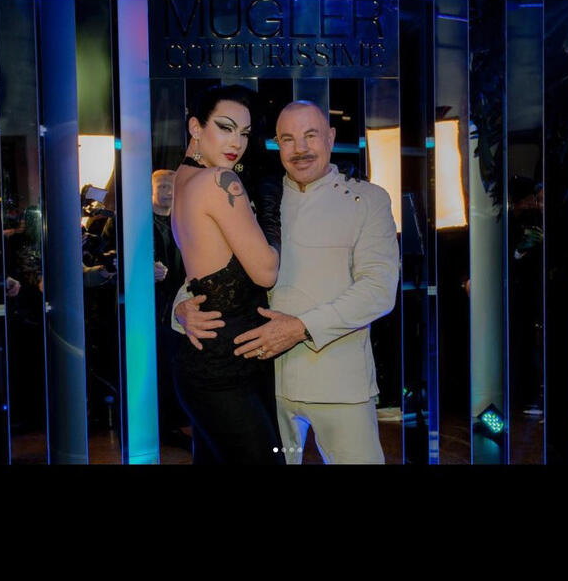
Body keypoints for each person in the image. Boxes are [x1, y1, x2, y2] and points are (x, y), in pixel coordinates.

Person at [175, 100, 400, 464]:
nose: (300, 149)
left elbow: (378, 290)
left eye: (311, 136)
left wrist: (300, 328)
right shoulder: (256, 195)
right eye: (288, 139)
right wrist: (181, 309)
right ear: (276, 144)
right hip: (266, 382)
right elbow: (210, 266)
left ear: (331, 137)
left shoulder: (368, 200)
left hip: (338, 385)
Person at [170, 84, 284, 464]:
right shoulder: (220, 181)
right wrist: (270, 215)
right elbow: (266, 272)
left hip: (209, 360)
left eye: (245, 133)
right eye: (225, 127)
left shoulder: (181, 179)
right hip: (224, 367)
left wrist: (181, 307)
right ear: (195, 127)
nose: (237, 142)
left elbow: (197, 269)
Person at [151, 169, 189, 448]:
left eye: (172, 186)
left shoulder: (183, 221)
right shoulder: (136, 222)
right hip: (151, 309)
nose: (168, 191)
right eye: (163, 186)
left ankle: (174, 422)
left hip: (179, 306)